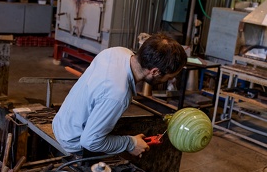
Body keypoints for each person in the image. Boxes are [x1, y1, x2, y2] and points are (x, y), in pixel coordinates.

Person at [52, 33, 187, 157]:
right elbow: (90, 142)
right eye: (169, 77)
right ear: (155, 71)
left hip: (61, 122)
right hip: (73, 142)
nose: (170, 81)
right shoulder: (118, 94)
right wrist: (130, 143)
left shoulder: (117, 52)